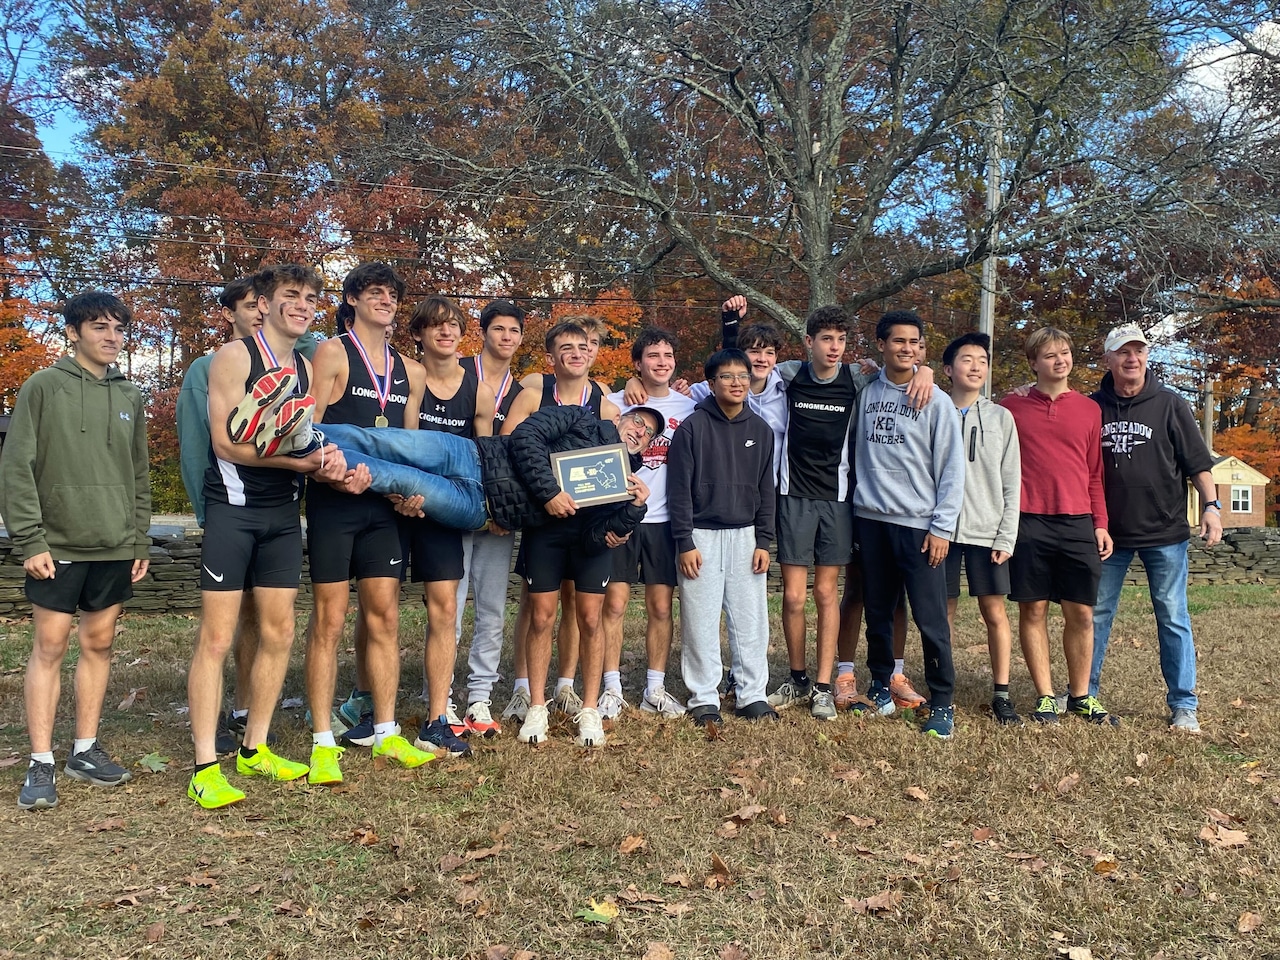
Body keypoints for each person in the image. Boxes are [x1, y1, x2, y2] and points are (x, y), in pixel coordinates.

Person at [186, 263, 351, 809]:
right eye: (290, 296)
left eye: (310, 297)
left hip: (283, 516)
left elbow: (303, 436)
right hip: (233, 511)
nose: (302, 305)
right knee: (216, 638)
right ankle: (205, 766)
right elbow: (226, 444)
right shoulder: (234, 357)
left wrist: (324, 458)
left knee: (279, 633)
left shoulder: (304, 367)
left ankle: (254, 749)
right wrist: (301, 464)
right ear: (265, 301)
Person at [2, 291, 151, 810]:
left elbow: (138, 475)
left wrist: (138, 537)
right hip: (56, 545)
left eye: (118, 329)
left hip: (113, 545)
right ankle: (40, 762)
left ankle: (84, 750)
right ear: (73, 332)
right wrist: (30, 540)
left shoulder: (131, 395)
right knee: (49, 647)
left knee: (99, 644)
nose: (111, 337)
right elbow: (16, 467)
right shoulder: (43, 387)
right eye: (99, 328)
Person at [302, 263, 435, 786]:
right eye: (374, 293)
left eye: (391, 295)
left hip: (383, 509)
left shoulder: (411, 370)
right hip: (335, 502)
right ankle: (322, 741)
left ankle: (385, 731)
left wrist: (409, 492)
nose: (385, 301)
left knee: (383, 616)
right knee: (330, 621)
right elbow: (306, 430)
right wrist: (334, 478)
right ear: (353, 299)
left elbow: (409, 449)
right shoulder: (333, 353)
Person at [1089, 323, 1220, 733]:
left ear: (1147, 356)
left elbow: (1197, 463)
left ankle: (1184, 705)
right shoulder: (1092, 407)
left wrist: (1212, 506)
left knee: (1173, 616)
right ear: (1108, 359)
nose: (1132, 359)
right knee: (1095, 615)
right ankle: (1082, 693)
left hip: (1165, 533)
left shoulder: (1170, 404)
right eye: (1123, 352)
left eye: (1139, 351)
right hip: (1109, 534)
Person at [501, 320, 624, 747]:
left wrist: (623, 518)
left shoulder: (606, 405)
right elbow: (507, 454)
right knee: (541, 615)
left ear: (593, 352)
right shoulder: (534, 395)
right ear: (551, 356)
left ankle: (588, 708)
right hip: (545, 524)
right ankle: (537, 706)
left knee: (590, 617)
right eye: (565, 347)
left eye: (584, 346)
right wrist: (547, 494)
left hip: (590, 530)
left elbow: (618, 472)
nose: (576, 353)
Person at [852, 310, 964, 739]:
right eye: (899, 341)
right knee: (878, 611)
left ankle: (942, 702)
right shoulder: (866, 391)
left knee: (930, 618)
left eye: (915, 343)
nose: (908, 349)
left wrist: (941, 528)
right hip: (871, 520)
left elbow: (953, 469)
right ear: (882, 344)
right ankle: (881, 684)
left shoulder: (936, 400)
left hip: (920, 527)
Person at [1000, 327, 1116, 725]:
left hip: (1077, 522)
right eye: (1050, 355)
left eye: (1064, 353)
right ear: (1034, 362)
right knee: (1032, 609)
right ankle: (1046, 695)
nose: (1060, 360)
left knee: (1081, 613)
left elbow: (1094, 473)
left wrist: (1100, 522)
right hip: (1027, 521)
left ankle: (1081, 695)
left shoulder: (1089, 409)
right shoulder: (1010, 407)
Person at [403, 296, 494, 759]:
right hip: (401, 500)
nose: (446, 332)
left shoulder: (476, 387)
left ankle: (437, 717)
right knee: (372, 606)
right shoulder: (410, 378)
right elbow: (405, 444)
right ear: (418, 333)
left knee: (445, 610)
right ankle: (364, 707)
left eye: (454, 325)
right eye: (435, 325)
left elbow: (486, 454)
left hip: (445, 508)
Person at [176, 276, 263, 754]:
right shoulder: (206, 368)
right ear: (230, 312)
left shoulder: (289, 366)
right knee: (221, 623)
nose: (258, 313)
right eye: (250, 305)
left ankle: (246, 707)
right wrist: (206, 511)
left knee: (259, 615)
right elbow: (194, 447)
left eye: (264, 306)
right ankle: (212, 720)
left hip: (273, 512)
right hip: (226, 508)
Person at [667, 349, 777, 727]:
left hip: (746, 536)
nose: (736, 383)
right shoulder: (692, 429)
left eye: (743, 376)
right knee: (700, 618)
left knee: (751, 619)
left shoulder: (761, 431)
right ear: (710, 384)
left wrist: (764, 541)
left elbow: (767, 490)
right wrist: (684, 541)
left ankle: (751, 695)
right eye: (727, 377)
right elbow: (678, 490)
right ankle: (703, 696)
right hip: (702, 536)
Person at [601, 327, 696, 719]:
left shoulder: (690, 403)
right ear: (637, 363)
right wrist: (627, 387)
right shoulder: (614, 403)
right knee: (615, 604)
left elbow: (737, 378)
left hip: (665, 519)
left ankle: (654, 688)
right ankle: (611, 688)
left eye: (668, 355)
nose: (662, 362)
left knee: (661, 607)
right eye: (653, 355)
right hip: (622, 515)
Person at [452, 299, 525, 738]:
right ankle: (440, 694)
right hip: (457, 502)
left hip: (500, 514)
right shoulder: (456, 374)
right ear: (483, 332)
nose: (506, 338)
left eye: (514, 331)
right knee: (450, 605)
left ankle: (479, 696)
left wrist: (503, 506)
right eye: (498, 329)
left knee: (493, 607)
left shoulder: (525, 390)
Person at [940, 332, 1022, 724]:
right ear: (948, 369)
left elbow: (1012, 480)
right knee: (944, 612)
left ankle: (1002, 693)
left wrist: (1006, 535)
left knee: (994, 612)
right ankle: (943, 687)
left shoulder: (1001, 417)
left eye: (982, 361)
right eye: (967, 359)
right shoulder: (933, 410)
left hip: (987, 531)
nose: (976, 367)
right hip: (940, 531)